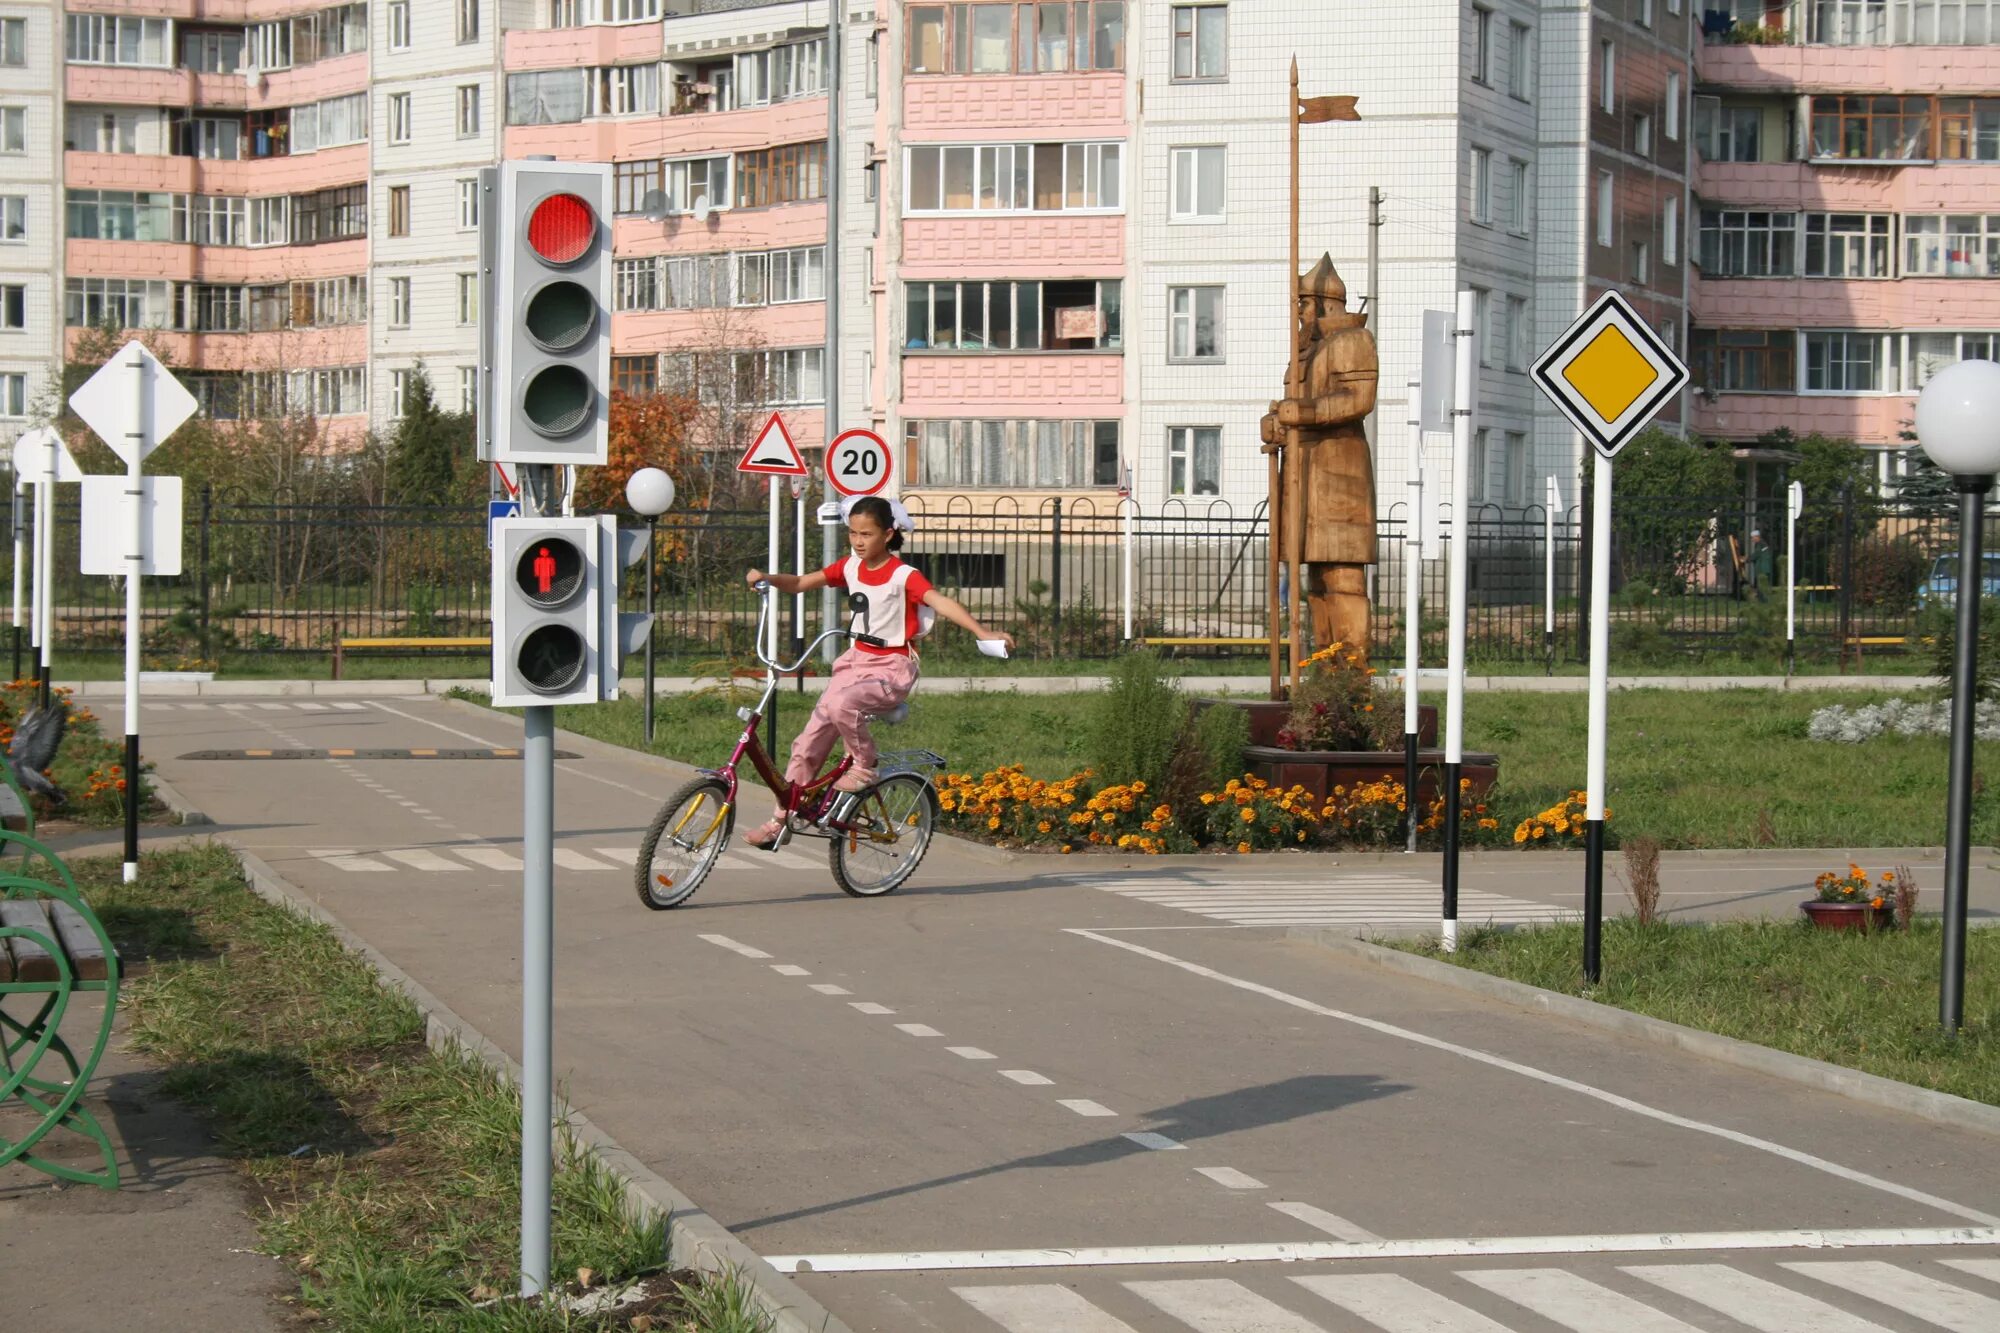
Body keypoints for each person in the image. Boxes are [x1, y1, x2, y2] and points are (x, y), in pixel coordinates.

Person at [742, 495, 1014, 848]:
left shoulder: (904, 576)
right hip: (854, 663)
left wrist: (983, 632)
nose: (857, 541)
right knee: (806, 744)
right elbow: (800, 583)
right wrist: (768, 578)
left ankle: (865, 765)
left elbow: (941, 602)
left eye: (866, 534)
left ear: (887, 534)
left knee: (843, 706)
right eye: (852, 533)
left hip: (892, 667)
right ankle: (782, 820)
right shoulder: (850, 567)